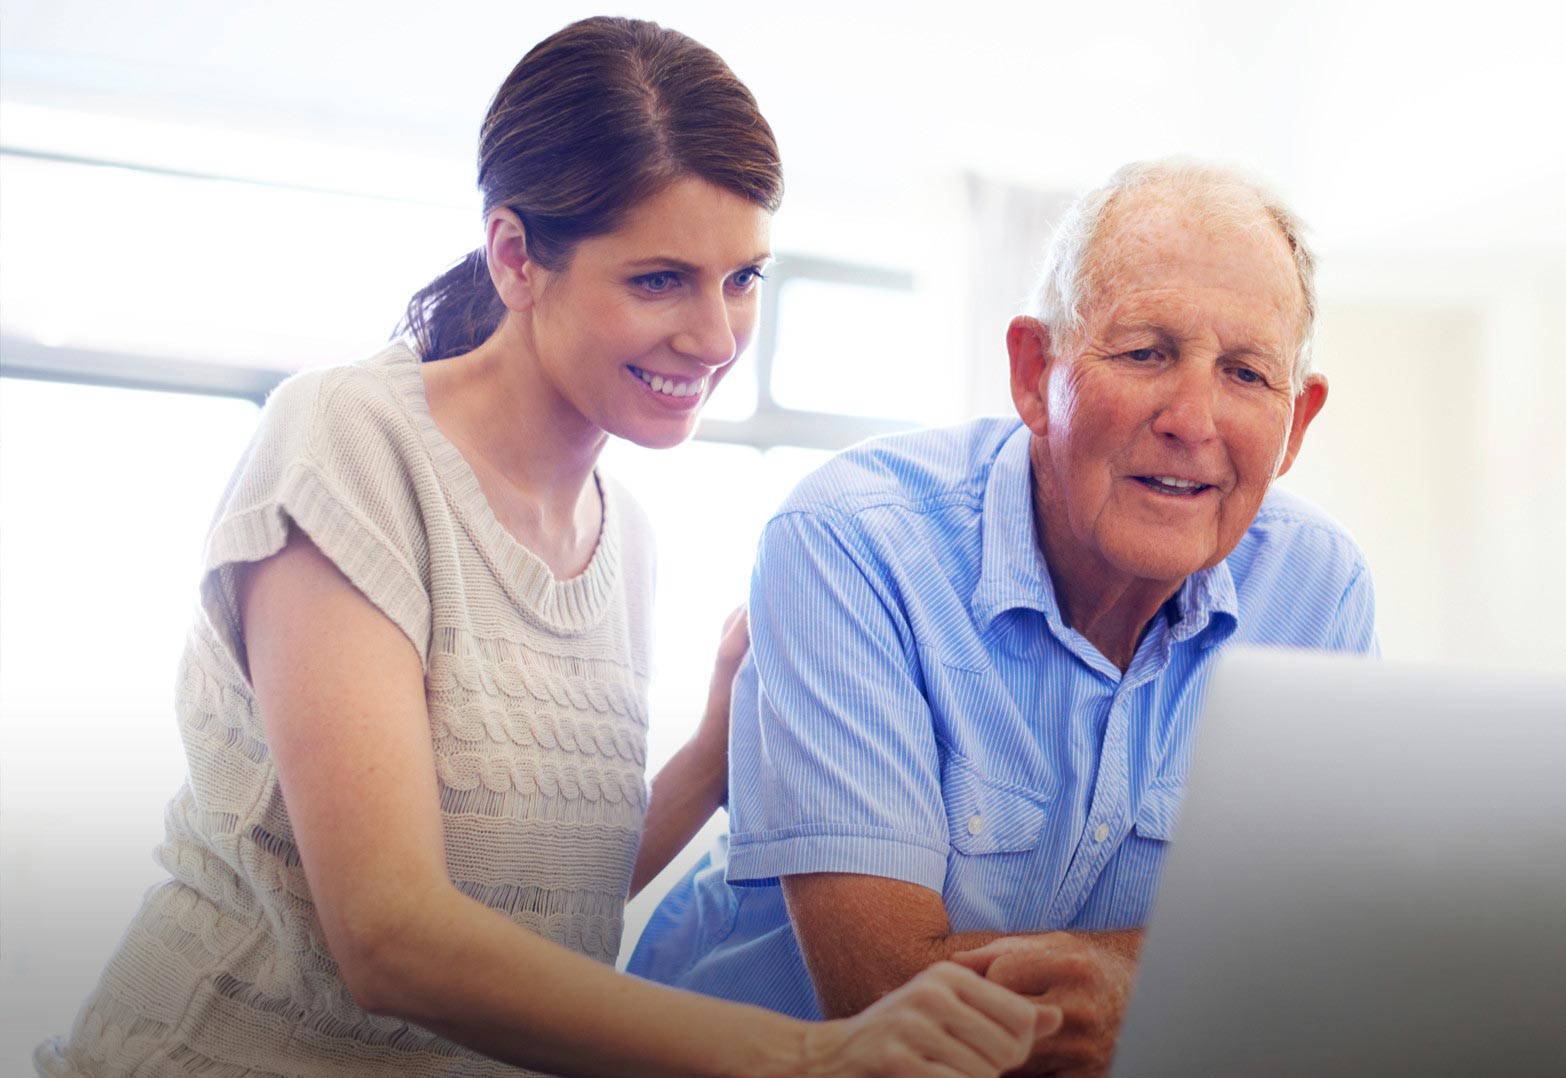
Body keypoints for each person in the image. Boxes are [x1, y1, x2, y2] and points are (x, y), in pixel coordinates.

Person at [36, 17, 1056, 1078]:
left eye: (743, 278)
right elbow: (392, 936)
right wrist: (807, 1055)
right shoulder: (349, 443)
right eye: (660, 279)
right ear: (517, 256)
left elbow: (533, 907)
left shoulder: (627, 544)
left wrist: (713, 753)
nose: (715, 337)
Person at [627, 158, 1379, 1075]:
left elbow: (1319, 949)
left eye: (1247, 373)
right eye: (1144, 352)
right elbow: (891, 1008)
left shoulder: (1318, 588)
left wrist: (1166, 992)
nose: (1193, 417)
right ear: (1036, 372)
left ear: (1297, 424)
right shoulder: (853, 539)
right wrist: (1184, 989)